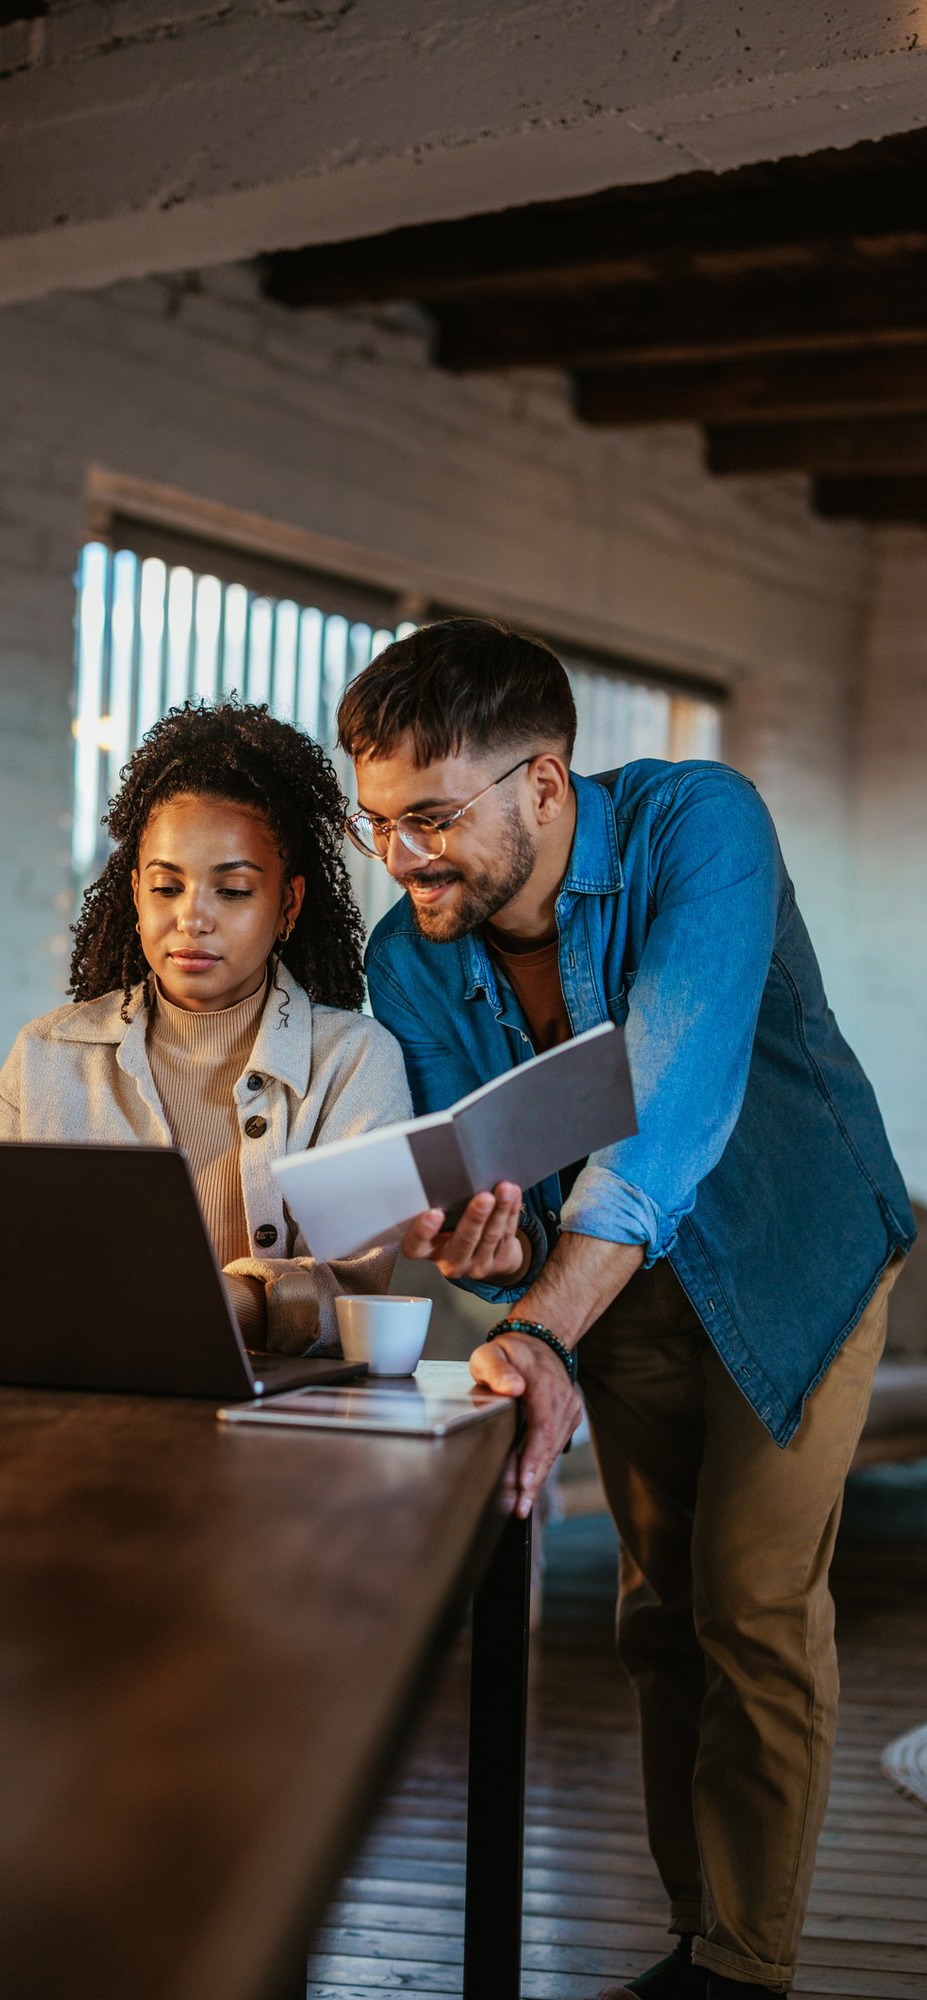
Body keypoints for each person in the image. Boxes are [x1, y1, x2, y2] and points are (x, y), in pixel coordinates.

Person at [335, 618, 915, 2000]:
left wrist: (534, 1321)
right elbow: (492, 1206)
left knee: (754, 1603)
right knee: (657, 1620)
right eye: (375, 822)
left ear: (544, 784)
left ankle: (745, 1966)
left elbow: (670, 1102)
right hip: (620, 1300)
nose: (401, 853)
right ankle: (695, 1938)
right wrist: (476, 1254)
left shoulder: (702, 826)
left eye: (429, 816)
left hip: (794, 1253)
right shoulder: (408, 954)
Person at [0, 699, 411, 1353]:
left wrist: (200, 1308)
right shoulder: (46, 1055)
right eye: (165, 887)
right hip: (78, 1400)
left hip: (272, 1421)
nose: (191, 919)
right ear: (134, 895)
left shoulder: (352, 1062)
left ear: (286, 904)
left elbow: (352, 1286)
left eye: (231, 891)